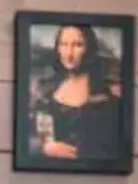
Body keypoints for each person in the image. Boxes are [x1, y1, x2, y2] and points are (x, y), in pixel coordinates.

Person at [30, 20, 127, 166]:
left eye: (77, 45)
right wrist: (44, 148)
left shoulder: (108, 89)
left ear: (89, 48)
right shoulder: (45, 90)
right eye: (63, 44)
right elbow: (28, 134)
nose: (69, 53)